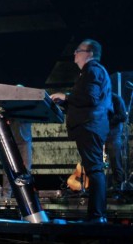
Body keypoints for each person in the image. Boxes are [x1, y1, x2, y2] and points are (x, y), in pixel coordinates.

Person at [50, 39, 113, 224]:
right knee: (94, 170)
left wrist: (66, 96)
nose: (75, 54)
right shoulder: (92, 71)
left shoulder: (92, 70)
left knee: (94, 170)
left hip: (90, 125)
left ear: (90, 53)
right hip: (92, 124)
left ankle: (96, 216)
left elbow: (89, 97)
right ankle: (96, 216)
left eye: (78, 50)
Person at [0, 118, 32, 198]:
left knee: (26, 169)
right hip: (9, 137)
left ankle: (25, 198)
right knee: (9, 170)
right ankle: (6, 199)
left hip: (24, 137)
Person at [105, 92, 127, 192]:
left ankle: (118, 187)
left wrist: (108, 121)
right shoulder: (99, 97)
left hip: (113, 134)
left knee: (115, 160)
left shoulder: (116, 99)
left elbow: (123, 116)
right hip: (102, 133)